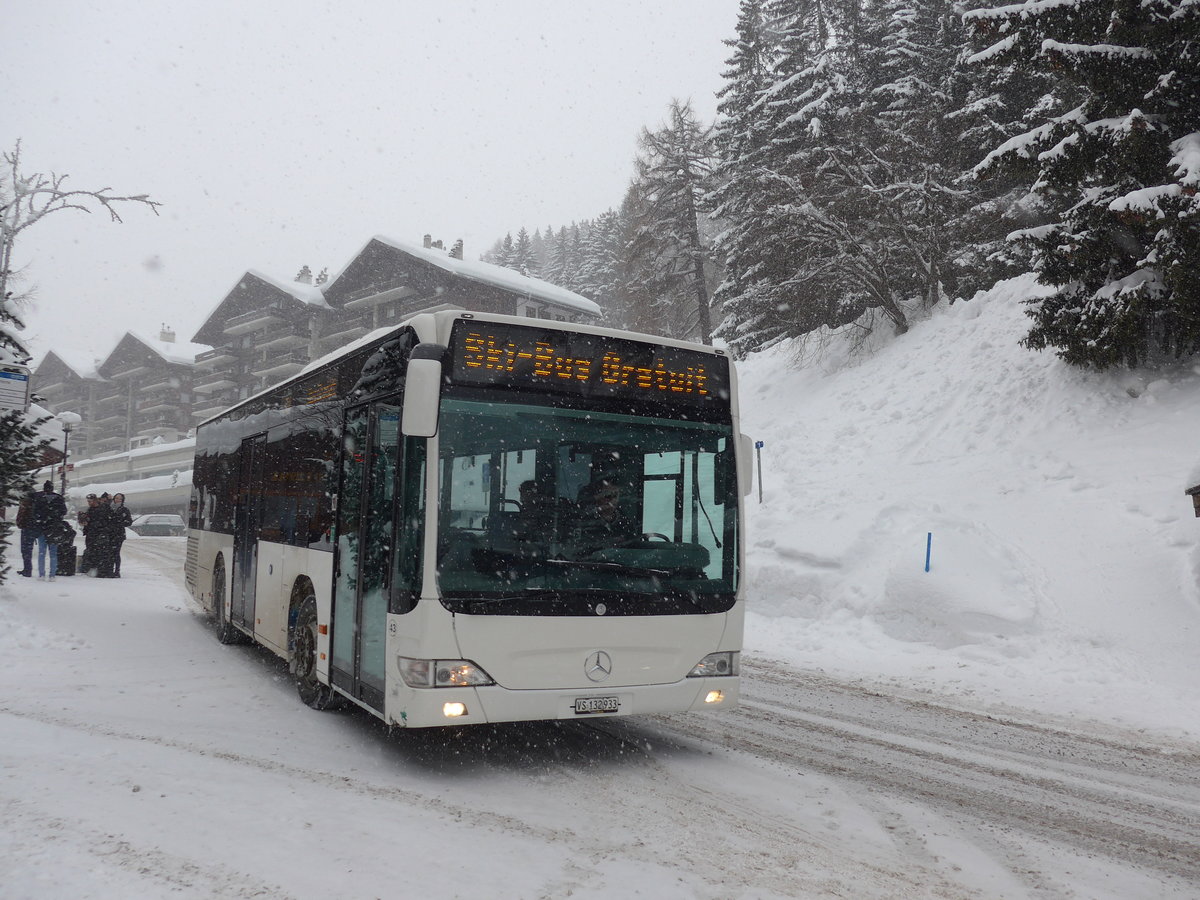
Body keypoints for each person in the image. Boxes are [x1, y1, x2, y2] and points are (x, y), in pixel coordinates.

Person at [575, 477, 636, 550]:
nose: (612, 500)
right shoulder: (584, 522)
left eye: (615, 495)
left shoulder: (626, 524)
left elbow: (633, 549)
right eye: (608, 496)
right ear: (597, 497)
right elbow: (578, 552)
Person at [29, 481, 67, 581]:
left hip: (42, 528)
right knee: (53, 553)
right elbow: (64, 512)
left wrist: (40, 520)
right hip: (54, 529)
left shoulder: (39, 498)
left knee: (42, 552)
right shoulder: (59, 498)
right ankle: (52, 575)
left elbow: (34, 513)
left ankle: (41, 574)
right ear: (52, 488)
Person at [107, 493, 133, 577]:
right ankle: (109, 569)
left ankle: (117, 571)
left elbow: (129, 522)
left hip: (119, 534)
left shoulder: (124, 510)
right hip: (109, 533)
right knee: (109, 552)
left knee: (116, 553)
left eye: (120, 499)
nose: (117, 500)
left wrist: (120, 523)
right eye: (116, 498)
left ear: (122, 500)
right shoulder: (109, 508)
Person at [14, 489, 35, 577]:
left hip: (26, 528)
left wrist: (19, 523)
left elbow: (21, 517)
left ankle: (27, 569)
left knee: (25, 550)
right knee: (29, 549)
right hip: (33, 528)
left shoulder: (25, 504)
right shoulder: (35, 503)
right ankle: (28, 568)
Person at [79, 493, 101, 574]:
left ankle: (94, 567)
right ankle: (88, 567)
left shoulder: (100, 509)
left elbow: (99, 522)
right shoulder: (90, 509)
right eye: (88, 501)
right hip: (90, 533)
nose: (89, 503)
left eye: (90, 501)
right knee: (89, 550)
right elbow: (86, 521)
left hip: (97, 534)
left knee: (95, 551)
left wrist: (90, 523)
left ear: (95, 500)